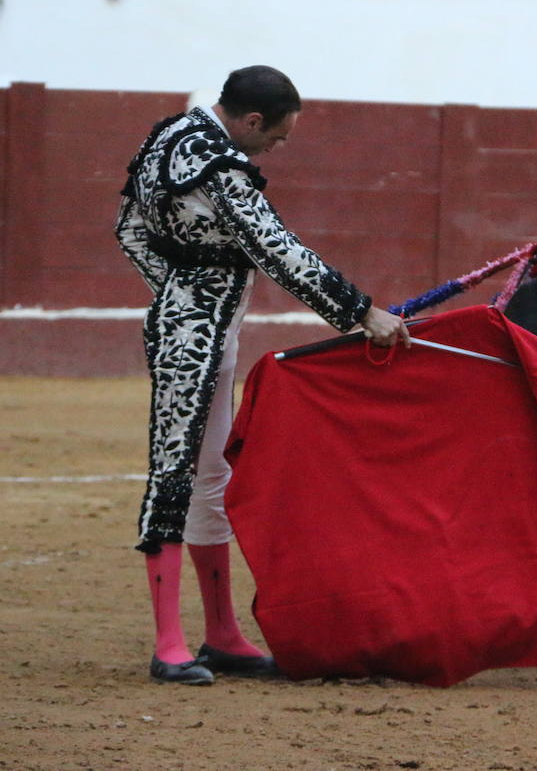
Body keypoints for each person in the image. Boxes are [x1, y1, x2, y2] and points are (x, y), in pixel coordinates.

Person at [115, 65, 408, 685]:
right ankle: (169, 644)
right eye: (277, 137)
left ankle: (221, 635)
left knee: (211, 473)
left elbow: (129, 228)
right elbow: (275, 247)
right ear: (251, 121)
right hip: (195, 338)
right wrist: (360, 313)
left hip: (198, 328)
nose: (278, 147)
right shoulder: (220, 166)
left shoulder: (168, 136)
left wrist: (172, 291)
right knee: (176, 475)